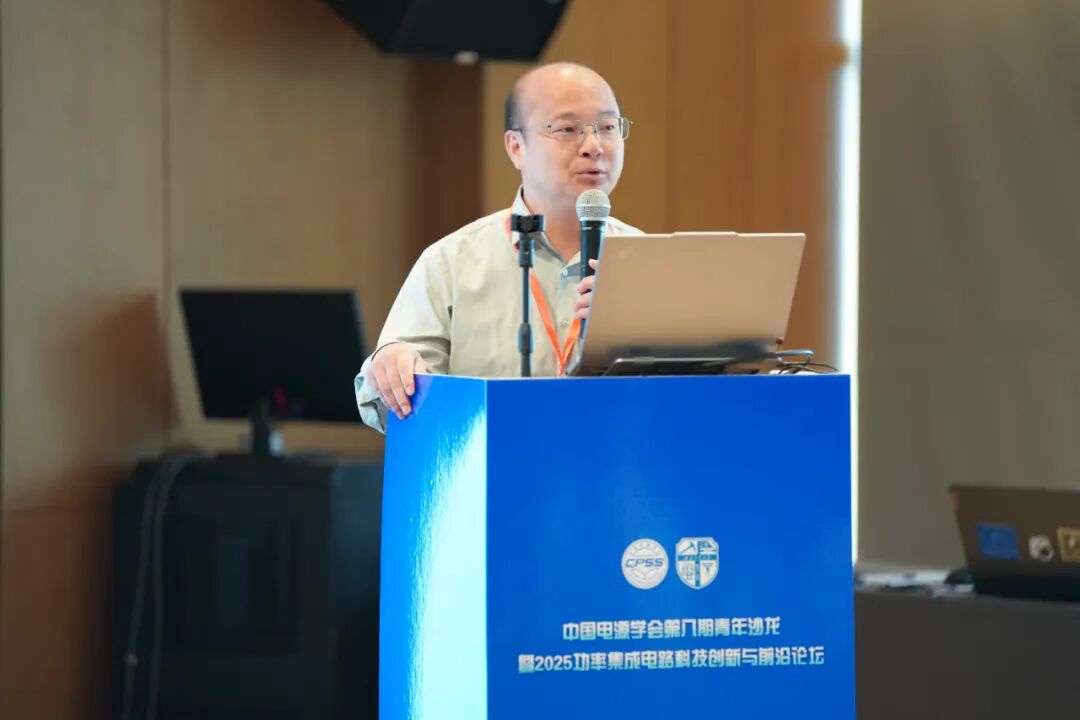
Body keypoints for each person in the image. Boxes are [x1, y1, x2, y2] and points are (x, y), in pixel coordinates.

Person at [354, 62, 641, 431]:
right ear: (516, 147)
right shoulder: (451, 263)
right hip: (493, 463)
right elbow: (395, 404)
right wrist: (392, 367)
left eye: (608, 127)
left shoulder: (653, 265)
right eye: (568, 129)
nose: (594, 146)